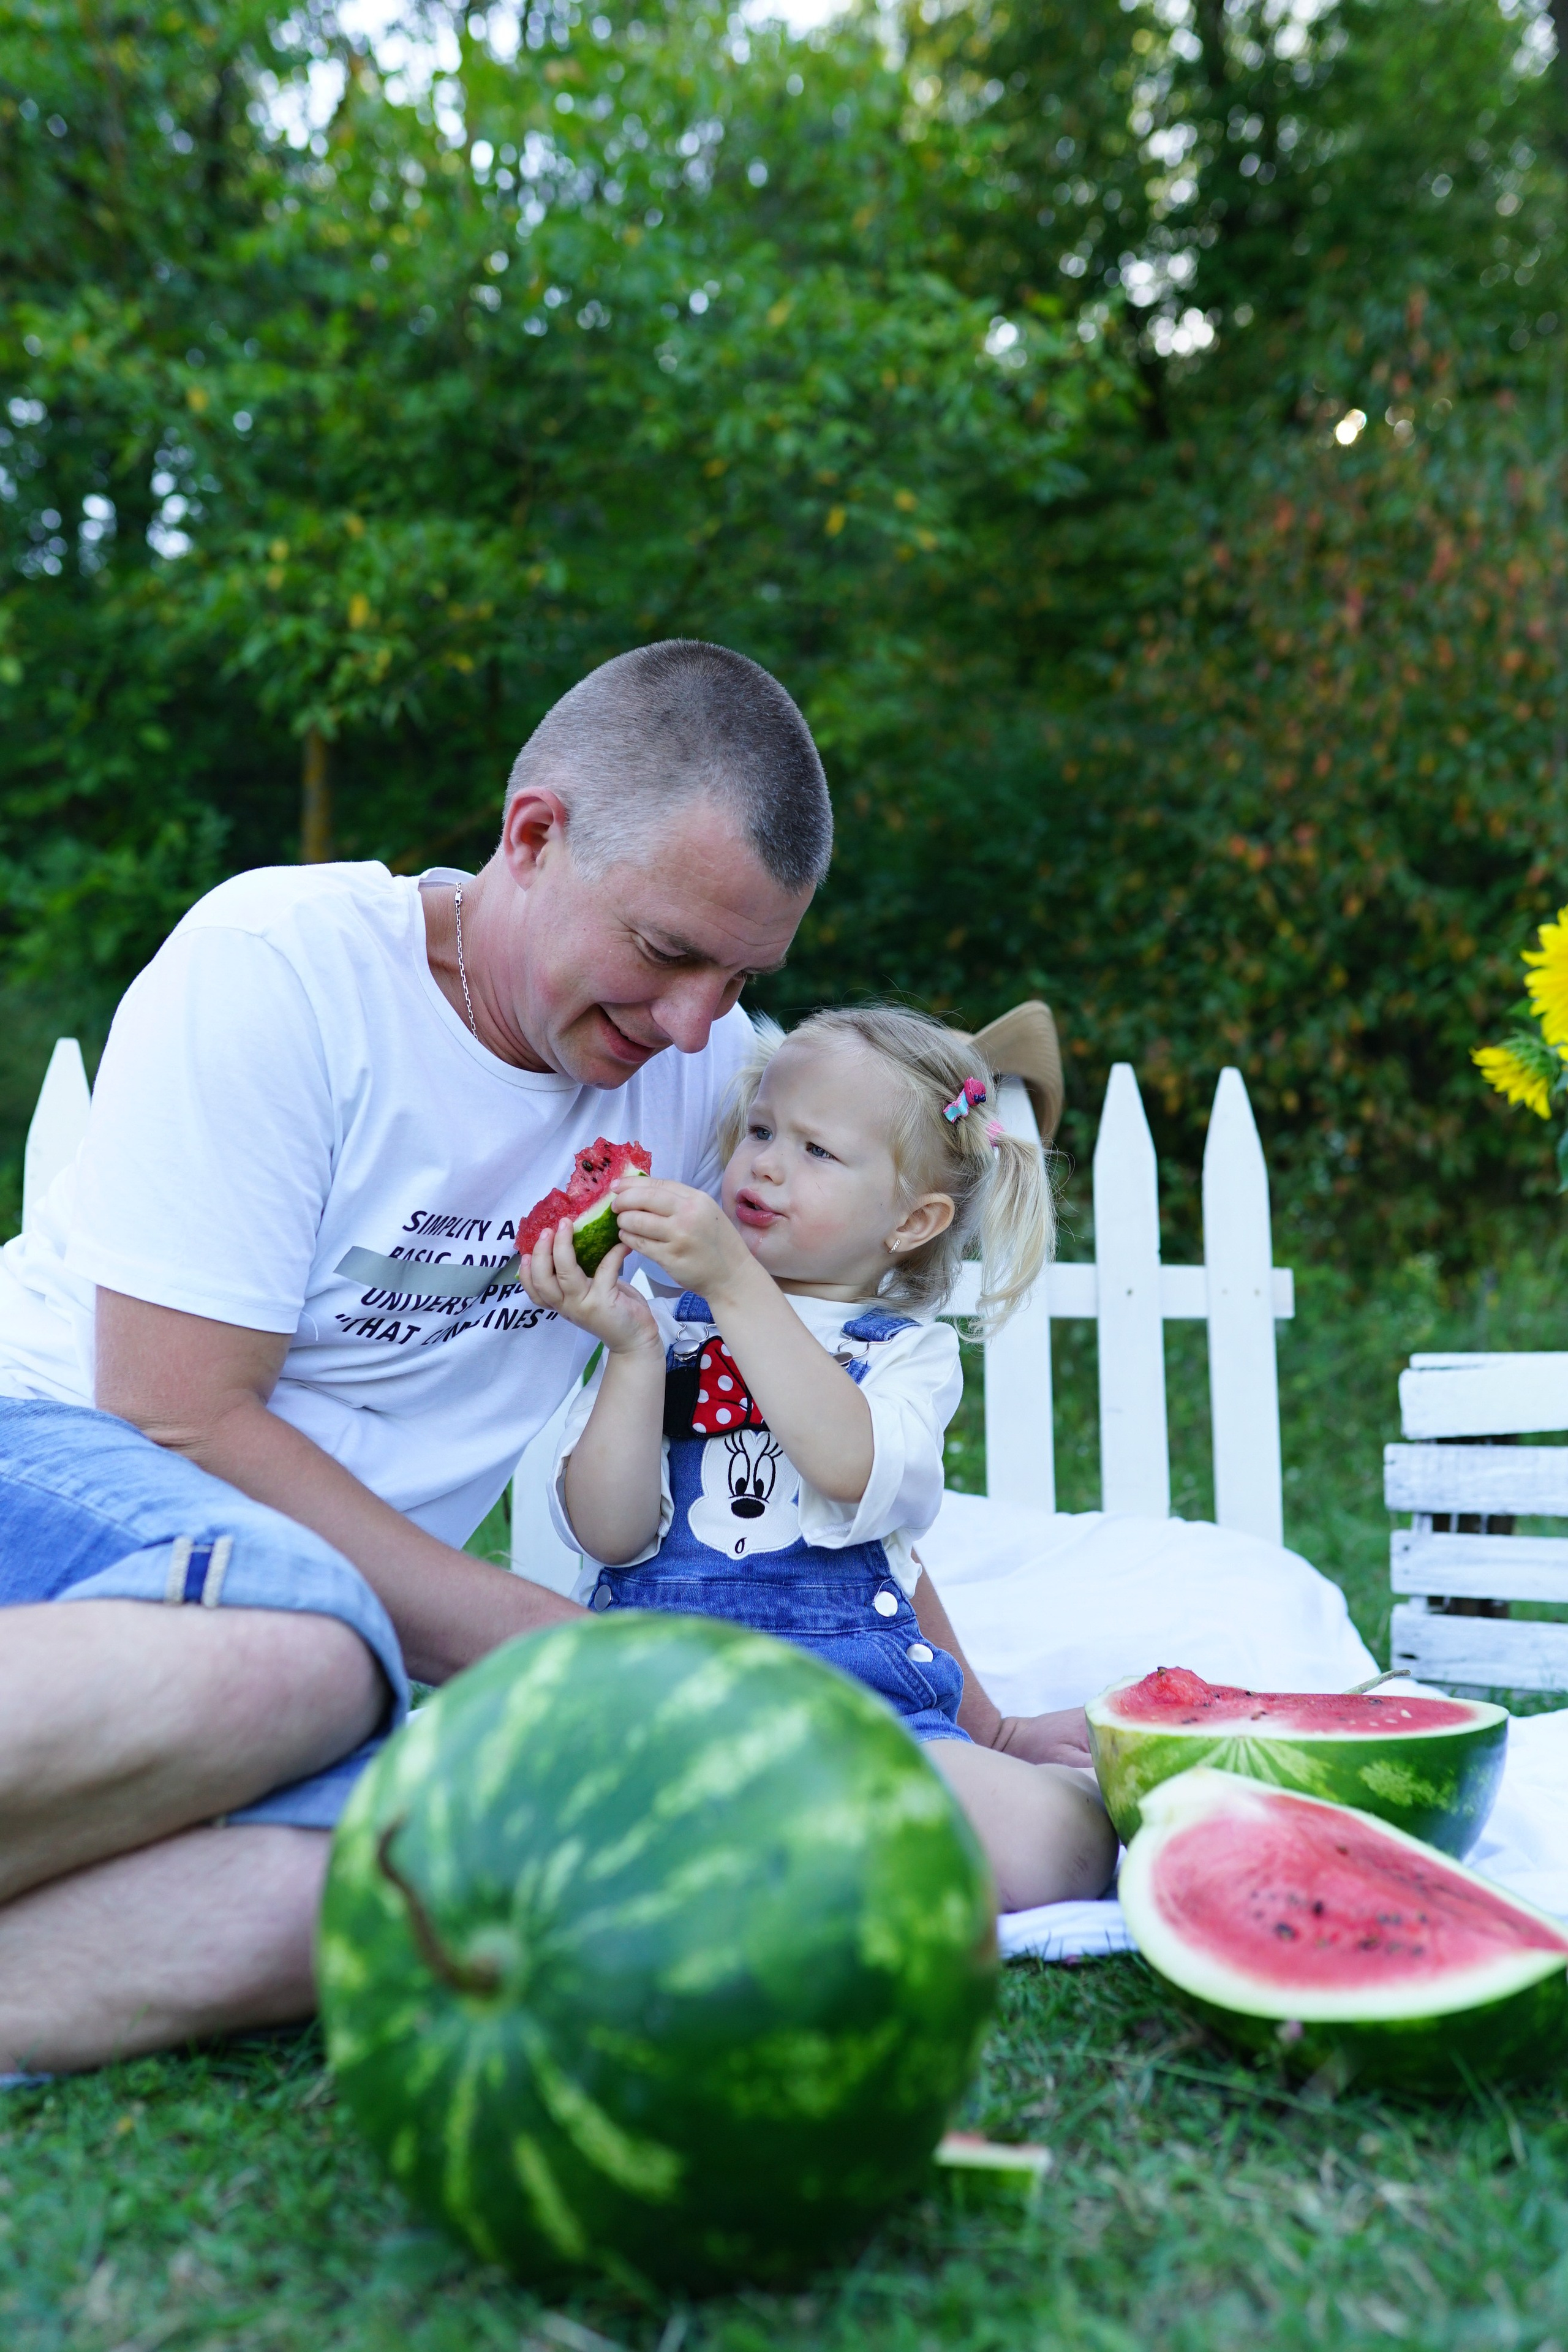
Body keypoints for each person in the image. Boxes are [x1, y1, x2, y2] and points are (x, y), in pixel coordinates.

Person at [0, 639, 831, 2075]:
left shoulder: (700, 1071)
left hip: (297, 1636)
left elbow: (817, 1370)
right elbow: (177, 1416)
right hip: (56, 1463)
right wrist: (557, 1654)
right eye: (666, 952)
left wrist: (970, 1720)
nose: (697, 1022)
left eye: (741, 974)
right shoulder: (283, 966)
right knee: (309, 1659)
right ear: (534, 836)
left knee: (420, 1871)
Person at [527, 1005, 1117, 1912]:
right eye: (761, 1131)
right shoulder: (661, 1326)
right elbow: (608, 1535)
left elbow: (851, 1468)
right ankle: (793, 1864)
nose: (767, 1163)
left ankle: (776, 1856)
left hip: (862, 1725)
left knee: (1057, 1844)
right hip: (660, 1709)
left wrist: (733, 1280)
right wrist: (635, 1352)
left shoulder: (908, 1356)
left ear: (913, 1220)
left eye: (817, 1151)